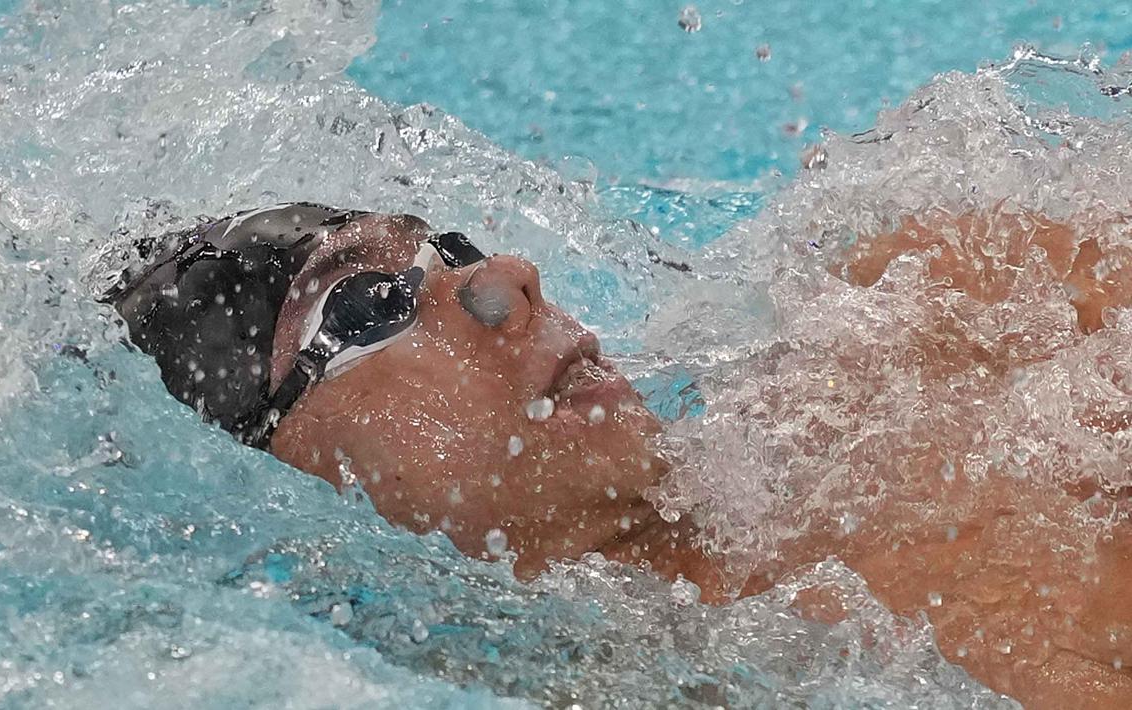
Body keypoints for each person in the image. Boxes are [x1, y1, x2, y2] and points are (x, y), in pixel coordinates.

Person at [107, 202, 1130, 709]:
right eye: (368, 305)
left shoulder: (923, 316)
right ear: (270, 476)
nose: (505, 278)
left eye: (451, 249)